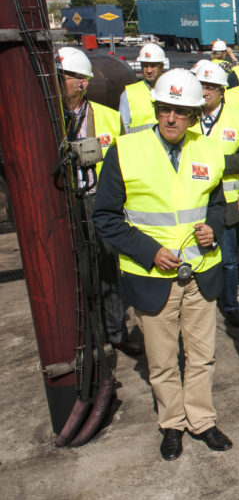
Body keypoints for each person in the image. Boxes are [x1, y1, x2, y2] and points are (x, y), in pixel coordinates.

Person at [93, 69, 232, 461]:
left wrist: (214, 229)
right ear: (156, 109)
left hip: (201, 272)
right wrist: (148, 250)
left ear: (193, 114)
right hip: (154, 277)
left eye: (181, 112)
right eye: (165, 110)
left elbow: (219, 206)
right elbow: (105, 216)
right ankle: (172, 424)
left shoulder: (207, 150)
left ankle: (202, 420)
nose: (171, 119)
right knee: (162, 359)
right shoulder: (125, 150)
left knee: (202, 355)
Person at [58, 47, 142, 356]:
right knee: (80, 272)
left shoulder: (107, 117)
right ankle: (91, 337)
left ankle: (116, 331)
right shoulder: (50, 120)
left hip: (100, 202)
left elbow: (124, 163)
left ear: (81, 82)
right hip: (69, 202)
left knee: (110, 268)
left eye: (64, 77)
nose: (58, 82)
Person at [190, 60, 239, 328]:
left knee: (228, 258)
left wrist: (216, 164)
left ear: (221, 90)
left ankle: (230, 305)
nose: (205, 91)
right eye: (201, 85)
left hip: (226, 202)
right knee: (193, 255)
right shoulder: (186, 115)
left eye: (210, 87)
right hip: (191, 200)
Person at [120, 42, 166, 133]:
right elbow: (124, 129)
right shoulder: (128, 94)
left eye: (153, 66)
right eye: (145, 66)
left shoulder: (170, 90)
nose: (149, 70)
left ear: (161, 66)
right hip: (138, 146)